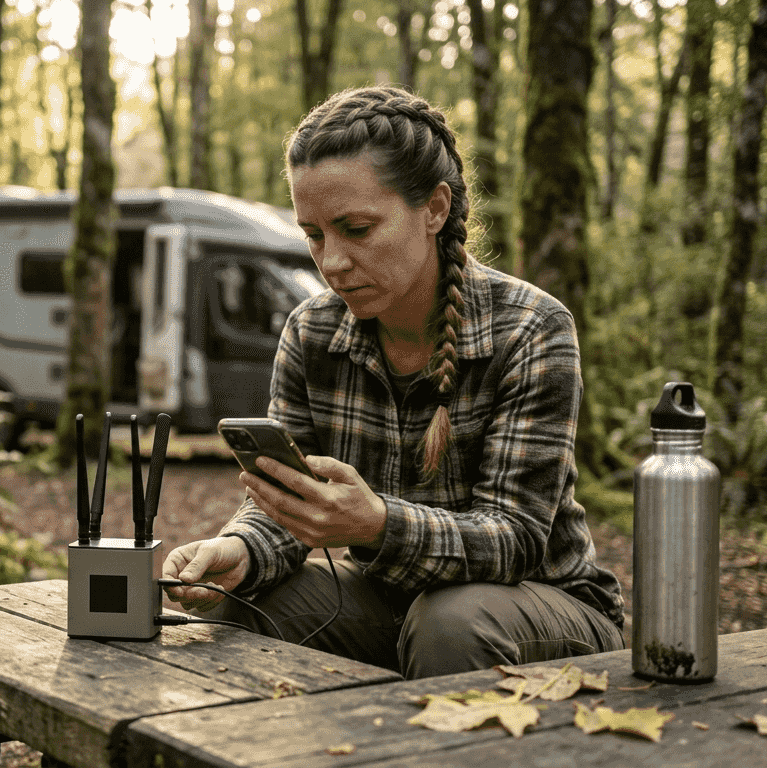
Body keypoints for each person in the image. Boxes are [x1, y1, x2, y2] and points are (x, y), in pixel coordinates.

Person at [161, 85, 625, 679]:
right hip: (391, 599)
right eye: (315, 234)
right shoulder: (311, 333)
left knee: (453, 621)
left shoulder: (532, 328)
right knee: (254, 603)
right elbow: (283, 505)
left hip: (543, 605)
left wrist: (375, 523)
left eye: (356, 229)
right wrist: (240, 552)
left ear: (434, 208)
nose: (331, 262)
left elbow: (515, 541)